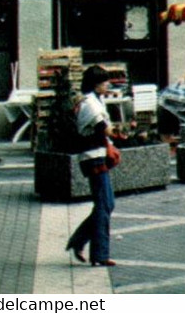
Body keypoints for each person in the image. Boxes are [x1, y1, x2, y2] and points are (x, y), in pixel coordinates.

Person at [65, 65, 117, 267]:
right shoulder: (90, 104)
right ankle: (99, 254)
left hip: (96, 155)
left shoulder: (95, 101)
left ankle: (79, 241)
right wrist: (122, 130)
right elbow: (104, 129)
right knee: (104, 204)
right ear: (95, 84)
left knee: (106, 203)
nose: (108, 85)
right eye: (104, 82)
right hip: (93, 156)